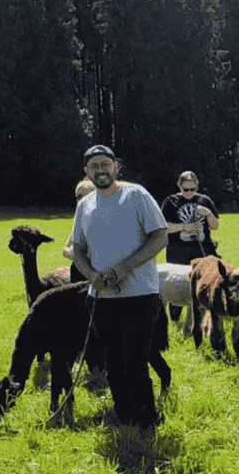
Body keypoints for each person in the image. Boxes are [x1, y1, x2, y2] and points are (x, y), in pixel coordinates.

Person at [71, 145, 169, 429]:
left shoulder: (136, 195)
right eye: (94, 167)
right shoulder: (85, 206)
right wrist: (91, 275)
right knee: (112, 363)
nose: (100, 170)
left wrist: (124, 268)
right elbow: (77, 249)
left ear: (116, 166)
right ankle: (123, 416)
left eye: (105, 164)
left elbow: (160, 237)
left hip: (140, 295)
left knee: (135, 363)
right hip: (101, 298)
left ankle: (147, 421)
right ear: (87, 173)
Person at [161, 171, 220, 320]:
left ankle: (201, 319)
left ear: (197, 187)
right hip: (177, 250)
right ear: (179, 186)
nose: (189, 193)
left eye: (192, 189)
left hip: (202, 249)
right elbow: (163, 227)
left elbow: (215, 226)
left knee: (203, 283)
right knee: (176, 284)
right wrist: (183, 227)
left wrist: (208, 213)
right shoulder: (171, 201)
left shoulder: (204, 200)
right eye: (185, 189)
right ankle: (175, 318)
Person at [63, 178, 96, 282]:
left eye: (87, 196)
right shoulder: (80, 222)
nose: (82, 200)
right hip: (78, 274)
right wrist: (75, 255)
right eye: (79, 196)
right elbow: (65, 249)